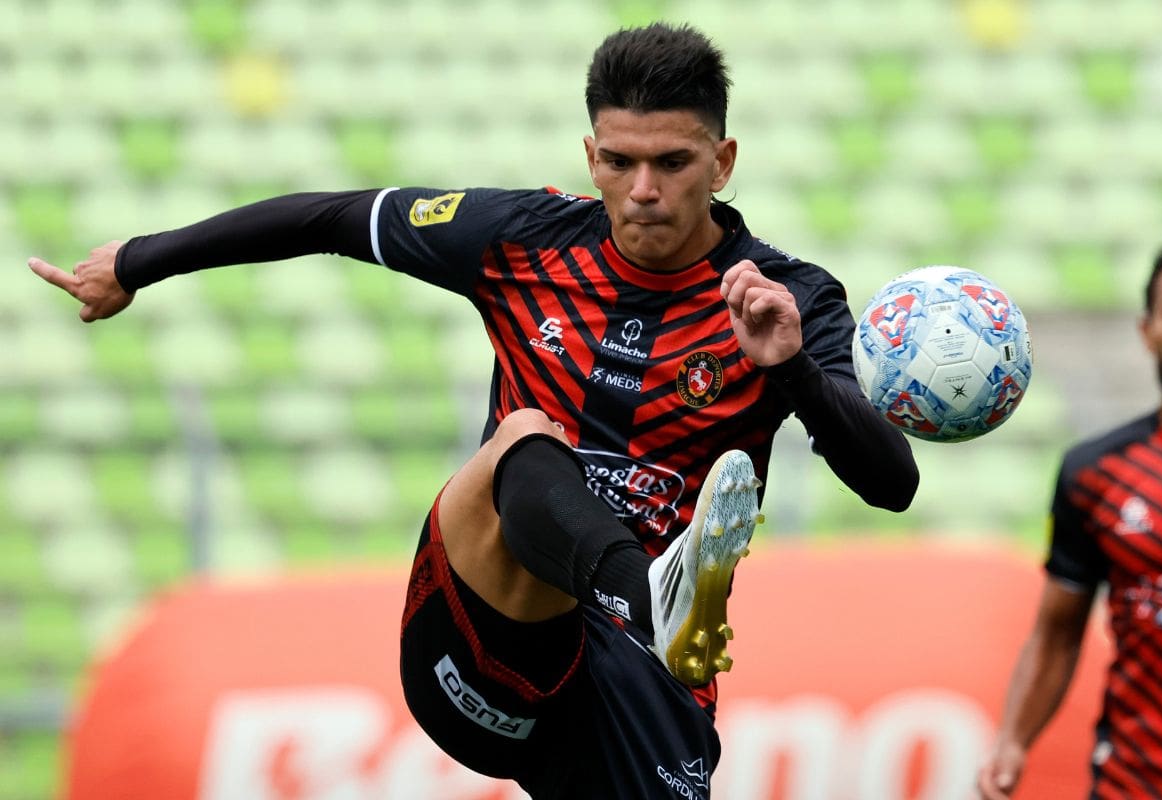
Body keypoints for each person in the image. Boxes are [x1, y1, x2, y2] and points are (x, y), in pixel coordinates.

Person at [31, 23, 918, 798]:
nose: (644, 188)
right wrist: (139, 261)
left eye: (672, 163)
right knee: (526, 438)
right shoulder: (518, 237)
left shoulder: (788, 300)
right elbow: (333, 217)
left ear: (722, 162)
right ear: (590, 158)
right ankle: (646, 592)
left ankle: (657, 610)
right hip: (479, 641)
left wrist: (792, 367)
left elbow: (892, 484)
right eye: (620, 161)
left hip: (647, 683)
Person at [977, 240, 1162, 800]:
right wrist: (1012, 741)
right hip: (1137, 782)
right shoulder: (1096, 474)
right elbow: (1057, 632)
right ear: (1147, 332)